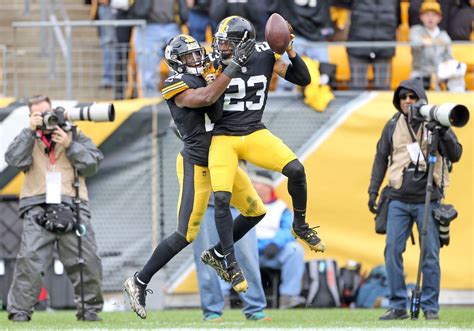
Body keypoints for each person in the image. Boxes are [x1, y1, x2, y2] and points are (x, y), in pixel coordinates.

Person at [123, 34, 267, 319]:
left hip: (221, 160)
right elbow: (206, 97)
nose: (197, 59)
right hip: (197, 164)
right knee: (185, 234)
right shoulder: (176, 83)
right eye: (189, 57)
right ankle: (139, 281)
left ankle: (216, 254)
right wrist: (231, 66)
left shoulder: (206, 76)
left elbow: (218, 98)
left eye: (197, 54)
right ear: (177, 62)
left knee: (255, 211)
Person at [199, 16, 325, 295]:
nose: (221, 48)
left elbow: (303, 79)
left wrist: (290, 49)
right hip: (223, 137)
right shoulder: (212, 63)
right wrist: (223, 69)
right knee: (221, 199)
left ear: (243, 43)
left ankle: (301, 225)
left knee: (296, 170)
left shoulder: (265, 55)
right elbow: (207, 104)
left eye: (227, 43)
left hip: (254, 131)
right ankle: (228, 260)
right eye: (220, 42)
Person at [368, 78, 462, 320]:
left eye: (413, 97)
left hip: (428, 200)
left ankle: (430, 307)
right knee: (391, 251)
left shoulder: (436, 123)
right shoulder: (391, 125)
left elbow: (456, 154)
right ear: (397, 101)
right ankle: (398, 305)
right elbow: (380, 159)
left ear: (422, 99)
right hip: (397, 198)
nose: (408, 101)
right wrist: (372, 191)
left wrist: (444, 130)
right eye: (403, 97)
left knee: (430, 254)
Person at [4, 95, 104, 322]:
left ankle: (89, 311)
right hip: (36, 205)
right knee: (29, 260)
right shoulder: (28, 138)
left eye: (47, 112)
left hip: (73, 204)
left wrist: (70, 145)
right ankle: (19, 313)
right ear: (31, 117)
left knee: (86, 260)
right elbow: (12, 159)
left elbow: (92, 165)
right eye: (38, 114)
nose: (45, 117)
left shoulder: (75, 135)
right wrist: (29, 132)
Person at [192, 192, 271, 322]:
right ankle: (211, 311)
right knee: (207, 260)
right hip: (205, 204)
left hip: (240, 204)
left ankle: (255, 308)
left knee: (248, 258)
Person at [251, 170, 305, 309]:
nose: (252, 186)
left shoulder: (281, 208)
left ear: (267, 187)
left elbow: (291, 229)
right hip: (247, 253)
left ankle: (288, 298)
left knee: (295, 250)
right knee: (223, 251)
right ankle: (223, 298)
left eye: (256, 183)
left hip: (272, 253)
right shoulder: (243, 205)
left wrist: (275, 243)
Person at [133, 0, 186, 97]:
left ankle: (175, 97)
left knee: (178, 66)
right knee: (148, 69)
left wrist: (184, 15)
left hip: (172, 25)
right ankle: (150, 103)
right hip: (148, 26)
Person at [346, 0, 400, 90]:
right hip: (358, 46)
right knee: (357, 89)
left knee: (382, 90)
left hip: (384, 47)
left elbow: (398, 19)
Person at [409, 1, 453, 90]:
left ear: (439, 18)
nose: (430, 18)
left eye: (434, 15)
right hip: (420, 75)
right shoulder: (415, 31)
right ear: (421, 17)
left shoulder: (444, 36)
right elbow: (415, 44)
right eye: (427, 14)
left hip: (439, 76)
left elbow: (448, 58)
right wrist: (427, 42)